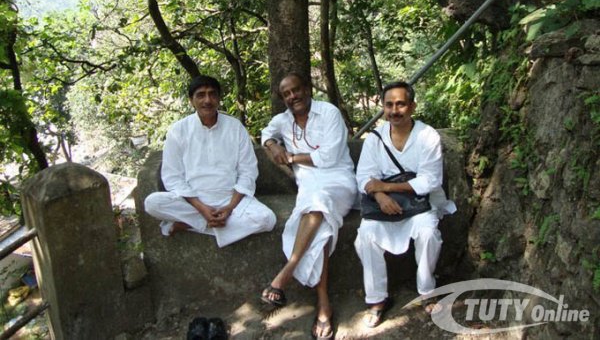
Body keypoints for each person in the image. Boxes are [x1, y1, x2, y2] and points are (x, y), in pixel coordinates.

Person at [260, 73, 357, 340]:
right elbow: (266, 133)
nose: (293, 96)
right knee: (321, 228)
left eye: (296, 90)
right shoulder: (283, 120)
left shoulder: (329, 113)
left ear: (306, 89)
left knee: (319, 202)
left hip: (338, 181)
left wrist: (290, 157)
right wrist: (272, 144)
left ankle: (286, 272)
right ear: (283, 99)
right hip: (309, 184)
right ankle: (323, 303)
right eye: (287, 94)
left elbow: (329, 156)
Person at [354, 81, 456, 327]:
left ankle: (427, 290)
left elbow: (430, 180)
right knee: (366, 235)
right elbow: (364, 177)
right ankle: (377, 300)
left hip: (420, 204)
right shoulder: (375, 138)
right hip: (382, 205)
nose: (394, 110)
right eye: (389, 105)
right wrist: (380, 196)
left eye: (400, 104)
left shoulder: (427, 136)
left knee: (428, 233)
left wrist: (386, 187)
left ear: (412, 106)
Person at [144, 75, 276, 247]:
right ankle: (206, 222)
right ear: (191, 101)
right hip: (193, 200)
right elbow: (173, 177)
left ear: (219, 99)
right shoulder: (178, 130)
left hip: (230, 199)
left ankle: (190, 224)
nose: (207, 100)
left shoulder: (235, 127)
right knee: (152, 203)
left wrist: (229, 208)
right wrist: (202, 208)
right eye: (201, 95)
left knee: (267, 219)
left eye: (212, 94)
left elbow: (248, 171)